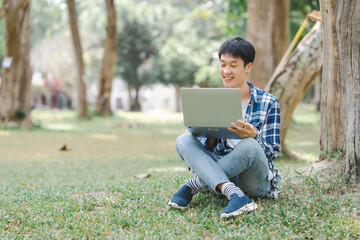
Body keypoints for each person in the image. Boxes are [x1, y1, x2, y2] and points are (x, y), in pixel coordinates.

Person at [168, 37, 281, 219]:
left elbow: (272, 152)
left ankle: (194, 185)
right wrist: (209, 133)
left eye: (233, 65)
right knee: (184, 139)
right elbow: (207, 148)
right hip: (224, 173)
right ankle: (233, 193)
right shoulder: (214, 100)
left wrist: (254, 136)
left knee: (250, 146)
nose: (226, 71)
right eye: (223, 65)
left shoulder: (269, 103)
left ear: (248, 67)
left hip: (253, 181)